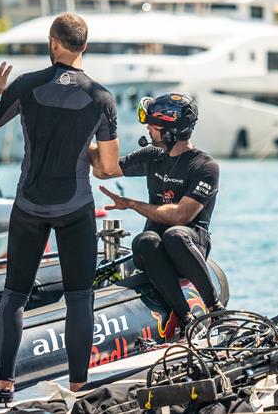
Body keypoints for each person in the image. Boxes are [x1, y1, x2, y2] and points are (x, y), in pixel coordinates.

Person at [0, 12, 119, 402]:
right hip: (75, 207)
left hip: (29, 206)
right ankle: (77, 387)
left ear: (53, 43)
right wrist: (80, 148)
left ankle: (5, 383)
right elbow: (106, 167)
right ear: (84, 46)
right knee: (79, 298)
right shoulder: (102, 98)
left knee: (14, 295)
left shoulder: (25, 85)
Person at [91, 92, 224, 337]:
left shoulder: (205, 167)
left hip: (189, 244)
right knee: (145, 240)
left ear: (172, 132)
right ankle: (184, 316)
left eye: (154, 126)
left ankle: (216, 309)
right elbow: (104, 170)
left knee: (174, 235)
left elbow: (180, 216)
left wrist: (130, 203)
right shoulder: (152, 156)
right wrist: (78, 138)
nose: (148, 130)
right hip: (154, 252)